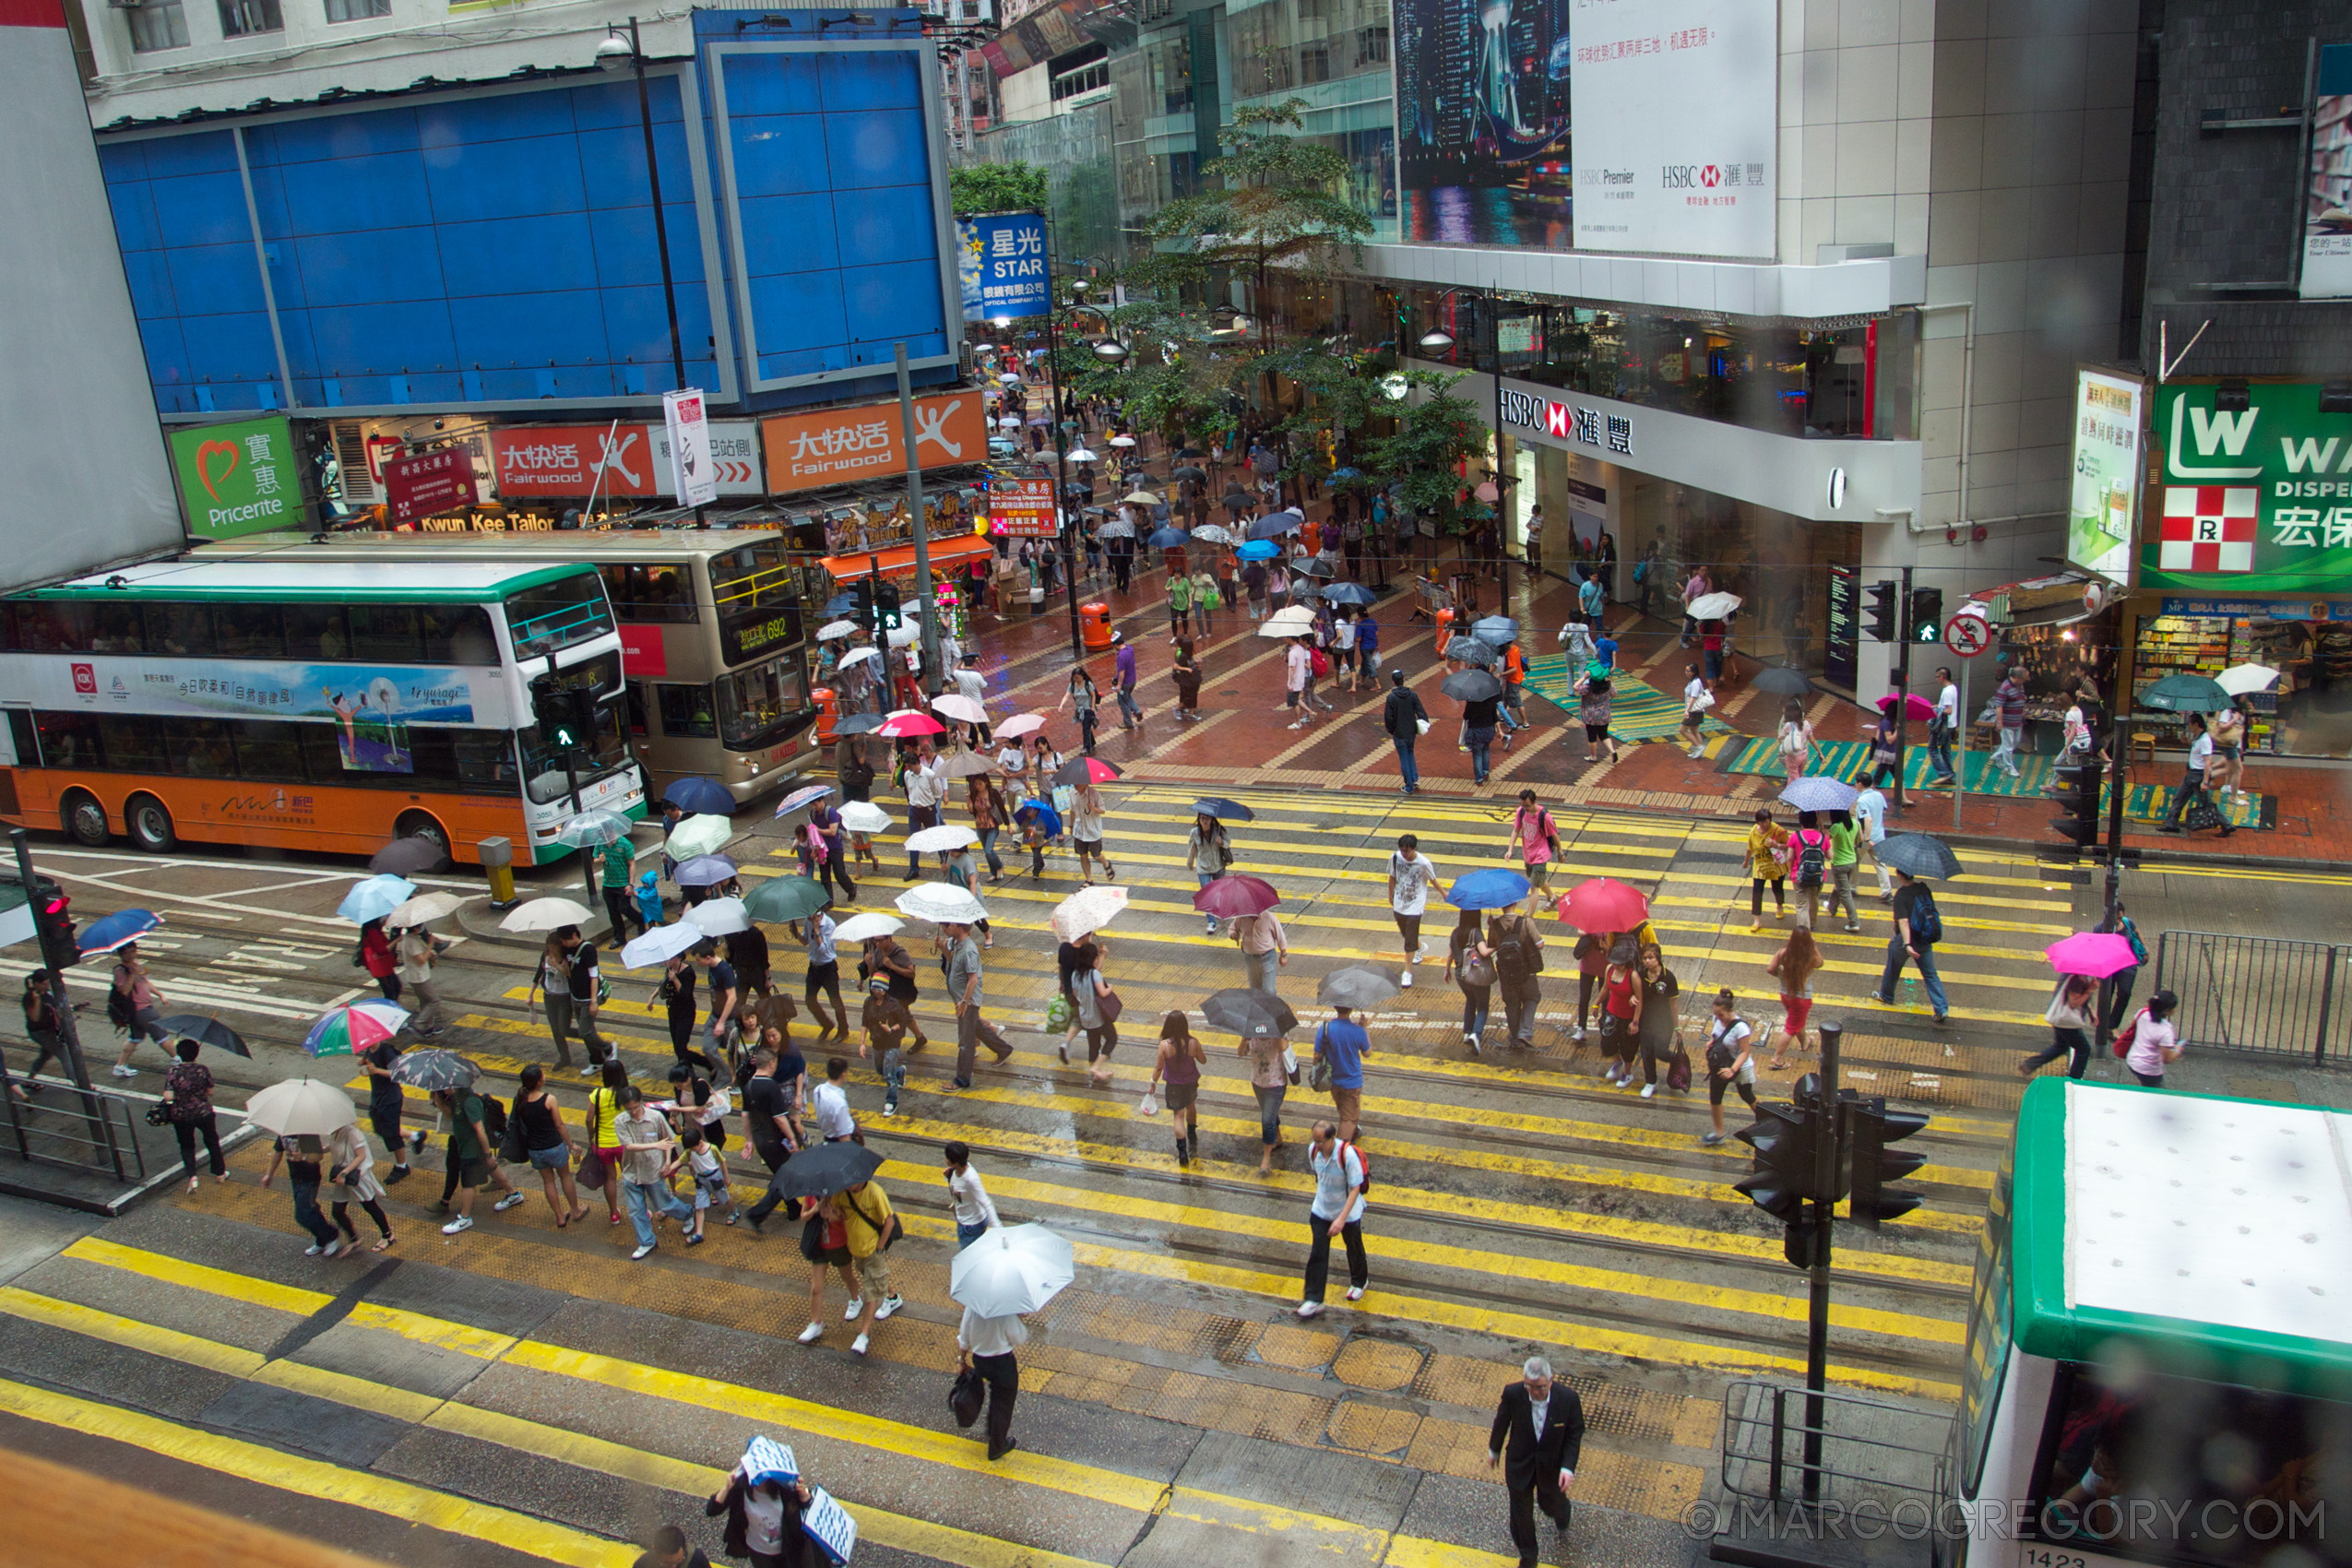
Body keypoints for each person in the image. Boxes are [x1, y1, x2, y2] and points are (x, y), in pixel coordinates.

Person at [1489, 1356, 1585, 1568]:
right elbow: (1502, 1421)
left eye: (1540, 1387)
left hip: (1551, 1467)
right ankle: (1529, 1556)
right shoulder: (1513, 1394)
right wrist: (1494, 1449)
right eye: (1530, 1386)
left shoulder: (1568, 1399)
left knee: (1550, 1504)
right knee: (1520, 1515)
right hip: (1520, 1463)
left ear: (1551, 1380)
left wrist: (1568, 1468)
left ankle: (1562, 1512)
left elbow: (1574, 1434)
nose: (1535, 1392)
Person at [611, 1084, 693, 1261]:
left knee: (664, 1204)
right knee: (635, 1210)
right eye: (628, 1109)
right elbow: (629, 1146)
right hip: (631, 1171)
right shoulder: (620, 1121)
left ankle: (687, 1213)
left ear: (641, 1102)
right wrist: (655, 1145)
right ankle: (647, 1241)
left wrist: (668, 1163)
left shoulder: (655, 1117)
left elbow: (668, 1141)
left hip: (653, 1170)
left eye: (635, 1107)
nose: (632, 1112)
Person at [1296, 1119, 1368, 1319]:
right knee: (1318, 1253)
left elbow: (1355, 1188)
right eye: (1314, 1140)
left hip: (1348, 1212)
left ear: (1332, 1138)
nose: (1317, 1145)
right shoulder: (1313, 1151)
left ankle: (1359, 1281)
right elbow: (1319, 1177)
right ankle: (1314, 1299)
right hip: (1321, 1210)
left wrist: (1341, 1219)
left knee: (1353, 1248)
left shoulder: (1347, 1155)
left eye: (1321, 1141)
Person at [704, 1442, 813, 1568]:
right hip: (759, 1552)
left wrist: (804, 1495)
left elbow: (807, 1506)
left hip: (787, 1549)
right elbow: (712, 1510)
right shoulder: (740, 1488)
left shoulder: (785, 1486)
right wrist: (726, 1488)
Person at [435, 1084, 526, 1233]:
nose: (443, 1088)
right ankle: (513, 1195)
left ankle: (465, 1218)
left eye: (447, 1084)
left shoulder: (470, 1102)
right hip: (465, 1146)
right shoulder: (457, 1098)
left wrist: (487, 1154)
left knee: (467, 1182)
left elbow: (479, 1129)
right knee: (493, 1169)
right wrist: (439, 1101)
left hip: (473, 1149)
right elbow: (452, 1117)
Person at [513, 1063, 590, 1227]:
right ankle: (575, 1210)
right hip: (554, 1147)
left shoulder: (520, 1100)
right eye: (542, 1075)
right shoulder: (549, 1099)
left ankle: (560, 1217)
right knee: (565, 1176)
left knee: (548, 1182)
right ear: (538, 1082)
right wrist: (570, 1145)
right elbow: (559, 1125)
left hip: (534, 1149)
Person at [837, 1176, 904, 1356]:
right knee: (872, 1277)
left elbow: (889, 1221)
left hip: (873, 1251)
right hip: (857, 1250)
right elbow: (841, 1213)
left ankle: (863, 1335)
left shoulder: (875, 1192)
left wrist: (880, 1247)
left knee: (870, 1292)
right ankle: (893, 1297)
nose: (849, 1185)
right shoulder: (843, 1193)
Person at [957, 1295, 1029, 1462]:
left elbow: (964, 1335)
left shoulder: (972, 1305)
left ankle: (992, 1429)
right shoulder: (1007, 1310)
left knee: (994, 1393)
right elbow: (1020, 1338)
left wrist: (961, 1361)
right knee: (1003, 1401)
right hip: (1002, 1363)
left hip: (980, 1360)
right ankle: (997, 1445)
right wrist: (1018, 1318)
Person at [1874, 869, 1951, 1024]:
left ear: (1900, 876)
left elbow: (1903, 922)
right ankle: (1941, 1009)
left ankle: (1887, 996)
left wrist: (1907, 944)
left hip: (1908, 940)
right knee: (1930, 974)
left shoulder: (1901, 895)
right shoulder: (1924, 888)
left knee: (1893, 968)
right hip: (1925, 939)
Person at [944, 919, 1012, 1089]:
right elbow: (955, 965)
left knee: (965, 1041)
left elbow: (973, 979)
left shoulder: (968, 950)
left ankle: (961, 1080)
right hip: (962, 999)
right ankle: (1003, 1049)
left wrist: (965, 1002)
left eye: (951, 925)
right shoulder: (958, 944)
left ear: (960, 928)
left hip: (967, 1002)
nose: (947, 927)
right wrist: (943, 950)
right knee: (976, 1027)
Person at [260, 1132, 343, 1257]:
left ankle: (331, 1235)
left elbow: (318, 1156)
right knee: (309, 1210)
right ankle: (321, 1240)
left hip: (310, 1179)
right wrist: (269, 1174)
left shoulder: (308, 1134)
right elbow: (277, 1152)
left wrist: (303, 1156)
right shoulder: (284, 1133)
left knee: (303, 1214)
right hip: (295, 1178)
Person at [160, 1039, 226, 1193]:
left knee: (187, 1145)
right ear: (196, 1053)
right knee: (212, 1141)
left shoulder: (173, 1071)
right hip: (203, 1112)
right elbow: (211, 1092)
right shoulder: (202, 1069)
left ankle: (192, 1177)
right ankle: (220, 1173)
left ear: (180, 1054)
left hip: (181, 1115)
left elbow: (168, 1096)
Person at [324, 1118, 396, 1253]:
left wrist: (345, 1173)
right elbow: (335, 1146)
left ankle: (388, 1236)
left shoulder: (353, 1133)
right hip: (342, 1177)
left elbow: (361, 1156)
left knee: (370, 1205)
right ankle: (354, 1239)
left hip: (356, 1176)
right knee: (337, 1211)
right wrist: (322, 1149)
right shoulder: (336, 1133)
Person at [1700, 989, 1761, 1145]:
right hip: (1721, 1065)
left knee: (1747, 1095)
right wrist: (1711, 1043)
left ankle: (1766, 1121)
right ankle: (1718, 1133)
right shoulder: (1716, 1020)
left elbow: (1745, 1051)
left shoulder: (1741, 1028)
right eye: (1716, 1015)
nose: (1719, 1018)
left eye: (1721, 1015)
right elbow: (1716, 1036)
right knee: (1715, 1097)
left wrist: (1733, 1069)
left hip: (1739, 1067)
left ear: (1730, 1011)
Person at [860, 973, 924, 1117]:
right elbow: (864, 1022)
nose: (876, 992)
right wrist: (862, 1043)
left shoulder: (894, 1004)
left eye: (880, 989)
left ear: (885, 990)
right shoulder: (868, 1003)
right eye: (874, 988)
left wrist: (891, 1029)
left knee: (888, 1075)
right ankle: (900, 1071)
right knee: (880, 1070)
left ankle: (891, 1102)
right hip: (877, 1042)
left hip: (892, 1043)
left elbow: (902, 1022)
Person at [2159, 713, 2235, 837]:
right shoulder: (2199, 738)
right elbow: (2197, 752)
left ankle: (2227, 825)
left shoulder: (2205, 739)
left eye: (2190, 724)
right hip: (2191, 775)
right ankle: (2171, 824)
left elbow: (2207, 761)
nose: (2188, 726)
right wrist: (2188, 742)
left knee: (2206, 803)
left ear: (2196, 724)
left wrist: (2205, 782)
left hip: (2198, 776)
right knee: (2179, 799)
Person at [556, 925, 616, 1074]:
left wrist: (593, 1001)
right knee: (588, 1031)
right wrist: (557, 965)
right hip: (575, 995)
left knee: (585, 1032)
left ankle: (608, 1048)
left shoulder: (588, 949)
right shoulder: (565, 949)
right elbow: (568, 973)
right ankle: (596, 1061)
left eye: (565, 940)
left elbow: (594, 976)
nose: (563, 943)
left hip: (588, 998)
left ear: (574, 936)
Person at [1150, 1012, 1208, 1164]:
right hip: (1190, 1082)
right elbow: (1203, 1060)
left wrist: (1152, 1084)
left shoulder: (1164, 1046)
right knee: (1191, 1106)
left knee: (1178, 1116)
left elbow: (1158, 1068)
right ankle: (1192, 1134)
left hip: (1174, 1085)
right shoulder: (1193, 1043)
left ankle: (1183, 1154)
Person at [1487, 906, 1546, 1049]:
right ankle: (1524, 1032)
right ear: (1516, 902)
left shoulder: (1494, 925)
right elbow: (1540, 944)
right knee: (1532, 998)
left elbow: (1491, 946)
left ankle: (1514, 1037)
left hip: (1505, 973)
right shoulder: (1526, 922)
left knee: (1512, 1002)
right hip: (1527, 971)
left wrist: (1492, 926)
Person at [2021, 974, 2099, 1080]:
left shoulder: (2075, 975)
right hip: (2066, 1022)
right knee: (2083, 1049)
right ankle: (2073, 1080)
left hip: (2060, 1018)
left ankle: (2029, 1065)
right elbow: (2074, 1003)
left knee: (2061, 1046)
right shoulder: (2077, 979)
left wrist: (2091, 1011)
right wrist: (2090, 989)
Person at [1765, 927, 1823, 1070]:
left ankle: (1804, 1043)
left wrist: (1780, 976)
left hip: (1786, 995)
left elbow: (1770, 969)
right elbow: (1820, 963)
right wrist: (1814, 946)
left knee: (1797, 1021)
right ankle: (1776, 1058)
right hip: (1801, 999)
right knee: (1791, 1027)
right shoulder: (1809, 957)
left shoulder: (1783, 953)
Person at [108, 943, 169, 1077]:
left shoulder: (136, 965)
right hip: (139, 1009)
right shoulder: (121, 970)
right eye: (126, 953)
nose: (130, 955)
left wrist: (160, 995)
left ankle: (119, 1067)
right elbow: (124, 991)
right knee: (161, 1034)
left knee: (135, 1038)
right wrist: (132, 974)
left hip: (142, 1008)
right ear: (121, 955)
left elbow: (145, 982)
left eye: (132, 951)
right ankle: (180, 1062)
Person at [1633, 942, 1683, 1098]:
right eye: (1645, 958)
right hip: (1646, 1021)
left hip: (1664, 1023)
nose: (1647, 961)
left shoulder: (1668, 978)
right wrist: (1632, 997)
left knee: (1660, 1051)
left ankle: (1677, 1061)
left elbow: (1673, 1004)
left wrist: (1676, 1027)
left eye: (1651, 958)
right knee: (1647, 1052)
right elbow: (1635, 992)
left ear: (1658, 958)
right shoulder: (1640, 974)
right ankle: (1650, 1082)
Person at [582, 1060, 629, 1227]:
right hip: (624, 1144)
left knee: (610, 1178)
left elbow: (589, 1120)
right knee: (630, 1177)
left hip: (604, 1145)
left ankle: (614, 1214)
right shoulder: (627, 1095)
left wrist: (591, 1138)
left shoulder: (597, 1094)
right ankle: (639, 1209)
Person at [1313, 1006, 1369, 1143]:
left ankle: (1354, 1132)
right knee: (1349, 1118)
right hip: (1352, 1083)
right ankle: (1339, 1152)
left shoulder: (1325, 1028)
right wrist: (1365, 1028)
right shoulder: (1358, 1031)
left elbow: (1316, 1055)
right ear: (1351, 1009)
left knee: (1344, 1109)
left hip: (1333, 1081)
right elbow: (1367, 1053)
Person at [1444, 909, 1495, 1055]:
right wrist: (1496, 946)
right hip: (1476, 975)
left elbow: (1450, 954)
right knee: (1483, 1006)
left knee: (1470, 1000)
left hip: (1461, 975)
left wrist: (1447, 970)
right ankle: (1476, 1034)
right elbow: (1484, 952)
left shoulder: (1455, 932)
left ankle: (1467, 1032)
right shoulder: (1476, 932)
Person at [1241, 1027, 1289, 1176]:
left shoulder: (1278, 1030)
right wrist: (1245, 1039)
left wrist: (1277, 1033)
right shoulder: (1252, 1033)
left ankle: (1266, 1160)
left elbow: (1284, 1047)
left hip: (1276, 1082)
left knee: (1267, 1119)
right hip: (1257, 1081)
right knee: (1269, 1112)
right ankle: (1278, 1137)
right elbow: (1241, 1053)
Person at [1387, 833, 1438, 975]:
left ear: (1414, 848)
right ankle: (1420, 947)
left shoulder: (1423, 863)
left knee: (1409, 938)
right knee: (1405, 932)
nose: (1404, 854)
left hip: (1416, 904)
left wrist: (1444, 894)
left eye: (1407, 851)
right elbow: (1392, 877)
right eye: (1402, 850)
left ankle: (1407, 972)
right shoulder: (1395, 858)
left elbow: (1433, 880)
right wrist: (1390, 895)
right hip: (1400, 902)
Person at [1594, 940, 1643, 1087]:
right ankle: (1617, 1061)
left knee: (1628, 1047)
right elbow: (1605, 989)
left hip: (1627, 1016)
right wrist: (1596, 1004)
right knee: (1607, 1042)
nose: (1615, 965)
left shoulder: (1633, 976)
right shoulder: (1609, 969)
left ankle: (1627, 1073)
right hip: (1611, 1012)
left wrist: (1635, 1022)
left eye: (1618, 963)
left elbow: (1640, 1000)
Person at [2099, 901, 2149, 1031]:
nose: (2118, 920)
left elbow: (2137, 932)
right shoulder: (2100, 928)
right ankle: (2103, 1023)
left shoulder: (2128, 923)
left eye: (2120, 918)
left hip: (2127, 965)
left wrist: (2145, 948)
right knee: (2106, 994)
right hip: (2110, 966)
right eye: (2116, 918)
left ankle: (2113, 1024)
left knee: (2125, 993)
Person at [14, 972, 66, 1098]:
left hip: (49, 1031)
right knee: (64, 1055)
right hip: (40, 1033)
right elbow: (35, 1018)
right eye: (45, 983)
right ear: (36, 984)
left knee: (45, 1054)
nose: (47, 985)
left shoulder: (48, 994)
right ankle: (81, 1085)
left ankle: (29, 1080)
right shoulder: (30, 997)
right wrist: (37, 1001)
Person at [1507, 792, 1558, 916]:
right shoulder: (1521, 812)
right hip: (1528, 853)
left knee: (1534, 886)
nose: (1525, 808)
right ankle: (1552, 896)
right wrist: (1510, 849)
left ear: (1535, 802)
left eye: (1527, 806)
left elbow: (1555, 835)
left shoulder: (1544, 816)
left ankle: (1529, 916)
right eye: (1523, 805)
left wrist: (1561, 853)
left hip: (1541, 854)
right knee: (1539, 880)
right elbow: (1516, 830)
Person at [2119, 989, 2182, 1087]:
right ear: (2168, 1011)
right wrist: (2178, 1049)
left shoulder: (2142, 1013)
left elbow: (2134, 1027)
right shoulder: (2166, 1031)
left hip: (2132, 1060)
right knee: (2156, 1094)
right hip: (2150, 1070)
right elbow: (2167, 1059)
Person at [396, 923, 451, 1037]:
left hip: (420, 976)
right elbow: (421, 960)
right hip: (419, 978)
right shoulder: (411, 942)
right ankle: (419, 1024)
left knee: (425, 1001)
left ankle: (428, 1027)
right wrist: (431, 943)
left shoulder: (412, 938)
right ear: (415, 928)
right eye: (420, 926)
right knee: (434, 1001)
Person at [1382, 667, 1429, 794]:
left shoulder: (1391, 697)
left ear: (1393, 682)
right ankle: (1414, 778)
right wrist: (1423, 725)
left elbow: (1388, 717)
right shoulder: (1412, 695)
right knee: (1410, 753)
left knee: (1404, 757)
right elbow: (1421, 712)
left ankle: (1408, 786)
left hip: (1399, 732)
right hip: (1411, 731)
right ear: (1403, 680)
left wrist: (1391, 730)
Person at [1185, 810, 1232, 933]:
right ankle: (1211, 922)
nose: (1204, 821)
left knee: (1220, 893)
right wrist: (1190, 863)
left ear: (1212, 819)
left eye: (1206, 818)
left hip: (1218, 866)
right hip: (1203, 868)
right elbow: (1192, 849)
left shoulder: (1219, 831)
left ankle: (1222, 910)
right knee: (1207, 895)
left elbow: (1228, 844)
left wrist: (1221, 841)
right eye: (1201, 818)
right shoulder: (1195, 832)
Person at [943, 1141, 998, 1246]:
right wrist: (948, 1177)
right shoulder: (954, 1171)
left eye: (947, 1158)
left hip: (972, 1226)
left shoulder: (971, 1178)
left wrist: (998, 1230)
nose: (946, 1160)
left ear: (955, 1162)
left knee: (968, 1257)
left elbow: (986, 1202)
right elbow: (957, 1192)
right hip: (963, 1220)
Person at [1784, 810, 1831, 931]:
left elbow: (1789, 857)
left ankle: (1804, 930)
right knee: (1814, 899)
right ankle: (1813, 924)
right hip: (1818, 875)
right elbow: (1831, 856)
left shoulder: (1795, 836)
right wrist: (1822, 829)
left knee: (1801, 904)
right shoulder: (1823, 837)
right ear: (1815, 821)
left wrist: (1790, 871)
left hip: (1799, 875)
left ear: (1801, 821)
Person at [1745, 809, 1789, 932]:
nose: (1765, 825)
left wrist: (1776, 845)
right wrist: (1746, 861)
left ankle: (1780, 906)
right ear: (1757, 822)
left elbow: (1789, 845)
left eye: (1767, 822)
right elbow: (1750, 847)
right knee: (1757, 892)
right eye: (1762, 822)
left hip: (1776, 867)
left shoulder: (1778, 830)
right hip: (1760, 867)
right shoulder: (1754, 831)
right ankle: (1757, 920)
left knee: (1777, 889)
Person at [1071, 779, 1118, 885]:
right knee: (1083, 856)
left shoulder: (1095, 794)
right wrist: (1071, 825)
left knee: (1096, 855)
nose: (1075, 784)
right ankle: (1089, 879)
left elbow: (1103, 810)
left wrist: (1093, 808)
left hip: (1093, 830)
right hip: (1080, 830)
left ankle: (1106, 863)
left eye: (1078, 782)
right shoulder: (1072, 794)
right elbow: (1072, 810)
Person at [1231, 906, 1288, 993]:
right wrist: (1233, 934)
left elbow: (1280, 937)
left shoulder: (1269, 917)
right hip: (1250, 958)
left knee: (1269, 990)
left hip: (1267, 957)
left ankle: (1271, 1006)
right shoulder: (1241, 918)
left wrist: (1283, 955)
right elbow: (1232, 928)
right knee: (1255, 989)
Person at [1825, 810, 1863, 935]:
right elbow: (1860, 839)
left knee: (1845, 893)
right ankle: (1832, 907)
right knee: (1841, 887)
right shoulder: (1855, 823)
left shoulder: (1836, 827)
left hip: (1839, 863)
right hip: (1852, 861)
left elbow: (1825, 841)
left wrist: (1821, 826)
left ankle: (1854, 922)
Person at [1854, 782, 1894, 899]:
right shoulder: (1879, 795)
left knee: (1855, 861)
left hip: (1866, 837)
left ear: (1860, 784)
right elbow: (1884, 810)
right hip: (1880, 836)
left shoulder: (1862, 800)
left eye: (1856, 783)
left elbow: (1867, 819)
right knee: (1880, 864)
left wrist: (1867, 838)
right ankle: (1887, 892)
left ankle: (1851, 887)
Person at [1574, 664, 1617, 765]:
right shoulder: (1608, 687)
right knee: (1603, 734)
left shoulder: (1588, 688)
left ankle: (1593, 756)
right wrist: (1610, 681)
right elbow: (1615, 694)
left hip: (1590, 716)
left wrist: (1584, 677)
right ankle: (1613, 751)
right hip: (1604, 714)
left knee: (1592, 736)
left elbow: (1575, 687)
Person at [1462, 681, 1503, 786]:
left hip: (1476, 730)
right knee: (1486, 750)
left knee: (1477, 754)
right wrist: (1499, 730)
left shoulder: (1471, 701)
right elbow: (1495, 717)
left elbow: (1466, 716)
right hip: (1489, 730)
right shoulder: (1491, 700)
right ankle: (1486, 771)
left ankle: (1479, 778)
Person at [810, 1055, 858, 1144]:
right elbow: (844, 1136)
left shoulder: (818, 1089)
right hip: (840, 1140)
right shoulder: (839, 1103)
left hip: (828, 1135)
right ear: (843, 1074)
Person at [1989, 669, 2026, 778]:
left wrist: (2022, 711)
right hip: (2007, 722)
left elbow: (2021, 699)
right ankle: (2009, 767)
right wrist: (2000, 723)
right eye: (2024, 678)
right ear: (2018, 677)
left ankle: (1998, 756)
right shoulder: (2004, 688)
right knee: (2009, 746)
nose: (2025, 680)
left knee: (2015, 743)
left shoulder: (2020, 686)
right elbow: (1999, 706)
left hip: (2017, 721)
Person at [601, 836, 639, 941]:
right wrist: (600, 859)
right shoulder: (600, 844)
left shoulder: (625, 844)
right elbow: (595, 858)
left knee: (624, 908)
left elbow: (632, 864)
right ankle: (619, 937)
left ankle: (640, 920)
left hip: (623, 883)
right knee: (613, 913)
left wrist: (630, 884)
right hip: (608, 884)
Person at [1059, 666, 1102, 755]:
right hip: (1080, 711)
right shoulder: (1072, 685)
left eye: (1077, 677)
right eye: (1074, 677)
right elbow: (1067, 695)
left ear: (1082, 676)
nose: (1076, 679)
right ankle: (1092, 742)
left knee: (1085, 728)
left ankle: (1087, 748)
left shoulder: (1088, 684)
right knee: (1086, 727)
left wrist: (1092, 708)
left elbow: (1093, 695)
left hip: (1088, 709)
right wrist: (1061, 705)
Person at [1930, 667, 1961, 786]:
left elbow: (1948, 710)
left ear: (1942, 677)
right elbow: (1947, 705)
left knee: (1932, 748)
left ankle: (1944, 773)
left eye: (1937, 677)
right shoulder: (1953, 688)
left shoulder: (1947, 691)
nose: (1936, 679)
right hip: (1951, 724)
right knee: (1945, 750)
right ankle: (1949, 774)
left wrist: (1937, 710)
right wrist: (1939, 705)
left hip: (1943, 725)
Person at [359, 918, 399, 1004]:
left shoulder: (375, 931)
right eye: (383, 919)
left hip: (384, 966)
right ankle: (389, 1009)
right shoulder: (373, 932)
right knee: (391, 991)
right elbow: (381, 951)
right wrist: (396, 940)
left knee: (395, 987)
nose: (385, 921)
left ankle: (391, 1008)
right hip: (380, 967)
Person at [1679, 662, 1714, 757]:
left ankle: (1698, 747)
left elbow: (1693, 697)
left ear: (1693, 672)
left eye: (1688, 671)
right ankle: (1700, 752)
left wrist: (1687, 710)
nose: (1686, 673)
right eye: (1685, 670)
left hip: (1694, 711)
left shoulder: (1695, 683)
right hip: (1698, 711)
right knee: (1694, 730)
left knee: (1682, 730)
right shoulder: (1695, 681)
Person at [1776, 698, 1815, 780]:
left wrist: (1783, 745)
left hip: (1792, 756)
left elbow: (1780, 737)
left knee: (1794, 779)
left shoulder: (1788, 724)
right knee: (1796, 775)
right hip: (1804, 755)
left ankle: (1795, 789)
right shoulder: (1806, 724)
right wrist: (1820, 753)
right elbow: (1812, 739)